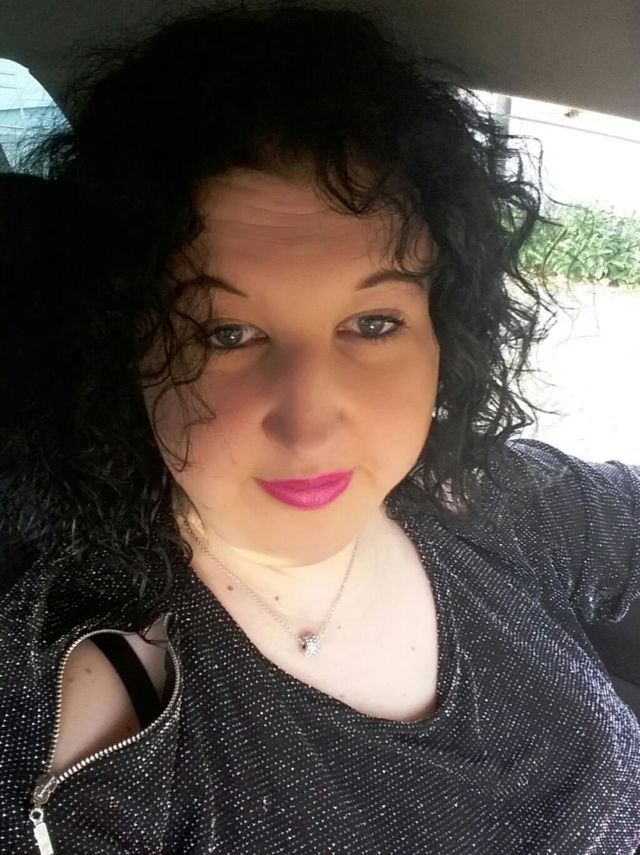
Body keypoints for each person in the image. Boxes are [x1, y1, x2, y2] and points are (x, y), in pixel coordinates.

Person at [1, 3, 639, 853]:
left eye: (373, 324)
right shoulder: (91, 731)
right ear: (123, 354)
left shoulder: (501, 500)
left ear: (445, 334)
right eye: (225, 334)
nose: (308, 427)